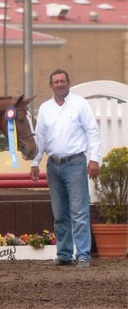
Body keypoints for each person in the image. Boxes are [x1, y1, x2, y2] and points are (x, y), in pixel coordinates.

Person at [30, 69, 100, 268]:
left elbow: (92, 133)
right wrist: (35, 162)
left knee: (79, 212)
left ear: (68, 83)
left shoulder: (80, 104)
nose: (59, 84)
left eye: (62, 81)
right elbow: (40, 137)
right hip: (54, 165)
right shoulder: (45, 108)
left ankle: (84, 255)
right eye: (56, 82)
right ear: (51, 85)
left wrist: (94, 159)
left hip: (76, 163)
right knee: (60, 214)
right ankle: (64, 254)